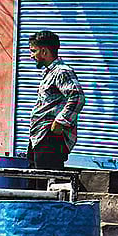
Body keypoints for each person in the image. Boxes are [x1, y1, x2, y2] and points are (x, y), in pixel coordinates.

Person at [27, 30, 85, 169]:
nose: (31, 56)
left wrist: (60, 122)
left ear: (44, 51)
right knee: (36, 181)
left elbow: (77, 97)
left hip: (50, 138)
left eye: (33, 51)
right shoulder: (49, 73)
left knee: (47, 183)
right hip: (39, 135)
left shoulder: (61, 72)